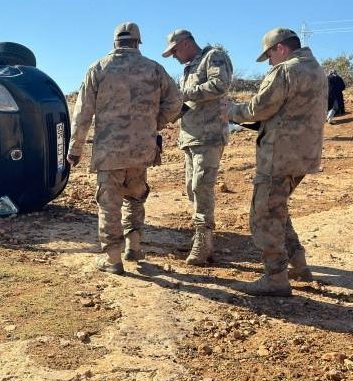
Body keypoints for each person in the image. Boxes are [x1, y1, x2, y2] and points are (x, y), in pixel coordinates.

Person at [67, 22, 182, 274]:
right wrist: (153, 124)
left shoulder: (98, 68)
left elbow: (83, 112)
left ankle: (112, 260)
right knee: (135, 196)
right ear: (138, 42)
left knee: (109, 204)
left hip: (110, 151)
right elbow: (176, 101)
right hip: (142, 150)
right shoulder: (154, 69)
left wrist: (74, 148)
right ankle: (135, 246)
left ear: (114, 42)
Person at [228, 28, 327, 296]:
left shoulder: (285, 71)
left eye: (269, 55)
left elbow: (259, 108)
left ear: (280, 49)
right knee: (277, 207)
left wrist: (230, 111)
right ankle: (298, 263)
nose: (269, 61)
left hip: (278, 156)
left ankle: (275, 278)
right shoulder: (317, 70)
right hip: (304, 155)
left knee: (264, 215)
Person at [162, 29, 233, 266]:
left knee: (201, 187)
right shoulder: (189, 68)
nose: (173, 56)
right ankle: (202, 238)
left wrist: (183, 93)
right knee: (191, 189)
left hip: (209, 136)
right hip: (191, 138)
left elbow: (219, 84)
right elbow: (188, 104)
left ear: (185, 44)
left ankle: (203, 242)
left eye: (174, 50)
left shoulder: (213, 56)